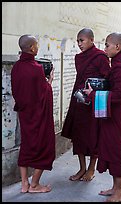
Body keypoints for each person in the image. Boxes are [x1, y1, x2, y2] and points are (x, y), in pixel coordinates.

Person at [84, 32, 121, 202]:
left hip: (115, 116)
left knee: (115, 152)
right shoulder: (120, 63)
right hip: (112, 115)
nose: (104, 48)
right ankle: (114, 188)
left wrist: (93, 94)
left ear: (117, 47)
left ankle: (119, 192)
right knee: (111, 149)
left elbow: (119, 95)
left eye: (106, 45)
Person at [61, 28, 110, 181]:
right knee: (78, 137)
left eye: (82, 40)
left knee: (92, 136)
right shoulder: (79, 58)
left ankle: (91, 169)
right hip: (79, 101)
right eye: (78, 41)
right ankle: (82, 168)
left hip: (93, 102)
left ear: (91, 40)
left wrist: (94, 95)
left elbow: (106, 80)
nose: (79, 44)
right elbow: (79, 79)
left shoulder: (100, 57)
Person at [11, 34, 55, 193]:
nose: (38, 47)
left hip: (25, 115)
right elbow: (43, 93)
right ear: (31, 48)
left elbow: (17, 91)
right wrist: (49, 82)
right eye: (36, 45)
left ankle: (24, 184)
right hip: (38, 116)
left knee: (26, 146)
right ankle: (34, 184)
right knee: (45, 146)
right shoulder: (36, 69)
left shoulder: (16, 67)